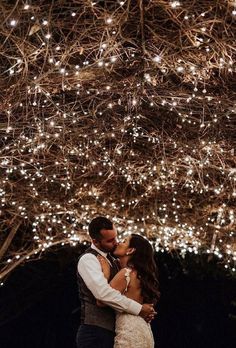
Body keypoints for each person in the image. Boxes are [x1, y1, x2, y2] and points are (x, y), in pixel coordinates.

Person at [76, 216, 156, 348]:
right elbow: (103, 295)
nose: (116, 242)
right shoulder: (89, 259)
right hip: (95, 332)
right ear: (95, 242)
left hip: (117, 332)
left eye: (117, 237)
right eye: (110, 240)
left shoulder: (117, 264)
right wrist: (139, 309)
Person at [97, 233, 160, 348]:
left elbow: (101, 301)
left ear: (130, 250)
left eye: (124, 241)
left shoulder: (125, 273)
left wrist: (105, 274)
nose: (119, 243)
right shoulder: (140, 276)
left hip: (129, 333)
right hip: (144, 330)